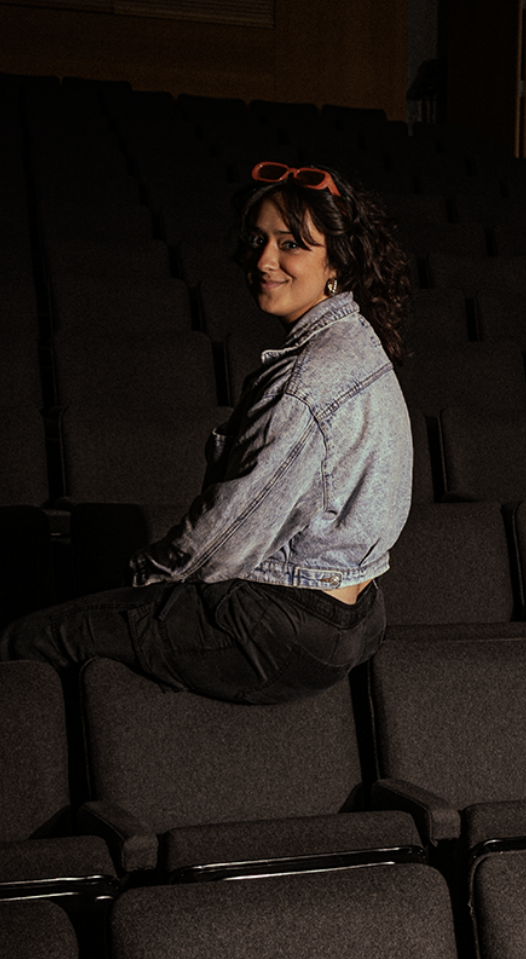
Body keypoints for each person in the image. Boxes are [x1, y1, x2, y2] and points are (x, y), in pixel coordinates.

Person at [0, 161, 412, 704]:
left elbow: (226, 539)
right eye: (258, 239)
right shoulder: (360, 342)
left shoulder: (305, 384)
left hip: (285, 631)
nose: (264, 260)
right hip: (359, 616)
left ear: (335, 259)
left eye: (290, 244)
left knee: (24, 640)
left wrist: (141, 582)